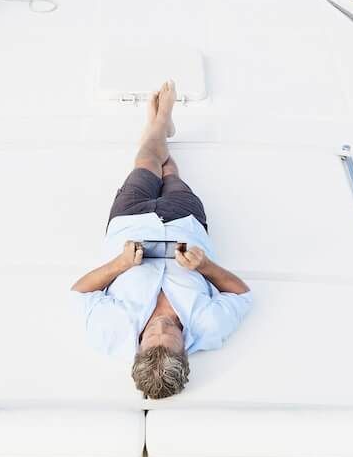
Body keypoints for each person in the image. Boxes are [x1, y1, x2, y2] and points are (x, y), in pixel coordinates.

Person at [72, 81, 252, 398]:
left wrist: (120, 264)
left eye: (152, 333)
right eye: (170, 332)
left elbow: (80, 292)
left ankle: (160, 122)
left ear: (138, 348)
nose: (162, 326)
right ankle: (160, 128)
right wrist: (206, 266)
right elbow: (241, 294)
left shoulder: (110, 333)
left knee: (146, 162)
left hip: (130, 222)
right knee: (171, 174)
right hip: (186, 223)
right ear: (184, 351)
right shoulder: (209, 328)